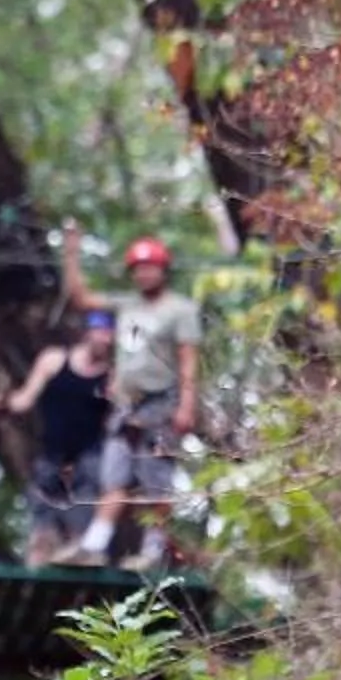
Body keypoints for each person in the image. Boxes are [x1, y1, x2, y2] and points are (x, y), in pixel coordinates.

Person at [55, 222, 201, 569]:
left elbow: (188, 360)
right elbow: (80, 297)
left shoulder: (180, 310)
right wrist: (71, 251)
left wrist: (186, 406)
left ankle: (153, 551)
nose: (144, 275)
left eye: (150, 267)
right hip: (126, 405)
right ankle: (94, 546)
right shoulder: (127, 305)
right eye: (138, 269)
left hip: (160, 404)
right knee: (115, 477)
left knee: (156, 481)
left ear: (163, 270)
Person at [4, 308, 115, 565]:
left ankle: (81, 559)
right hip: (52, 450)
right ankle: (39, 559)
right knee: (42, 516)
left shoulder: (111, 375)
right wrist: (4, 402)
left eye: (109, 335)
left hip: (88, 455)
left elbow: (118, 417)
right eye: (99, 333)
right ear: (87, 333)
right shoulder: (54, 360)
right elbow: (25, 398)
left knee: (83, 514)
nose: (104, 340)